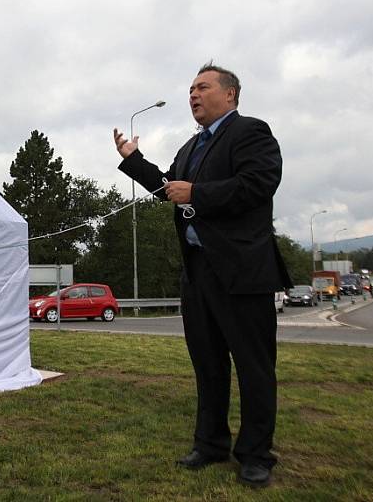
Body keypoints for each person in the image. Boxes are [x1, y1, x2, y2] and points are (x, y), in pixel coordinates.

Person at [114, 63, 291, 488]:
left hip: (242, 271)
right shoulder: (192, 147)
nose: (193, 94)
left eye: (203, 87)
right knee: (208, 365)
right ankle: (210, 443)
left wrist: (199, 193)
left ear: (230, 94)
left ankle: (255, 454)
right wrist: (134, 162)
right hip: (198, 272)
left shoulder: (251, 132)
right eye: (191, 88)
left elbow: (259, 183)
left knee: (252, 366)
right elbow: (169, 189)